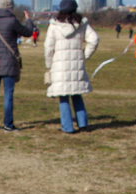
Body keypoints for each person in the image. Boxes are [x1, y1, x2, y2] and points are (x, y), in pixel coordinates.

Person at [44, 0, 99, 134]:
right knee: (76, 93)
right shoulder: (82, 24)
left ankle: (67, 126)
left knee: (63, 96)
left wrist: (49, 64)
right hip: (76, 63)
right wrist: (85, 54)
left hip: (59, 64)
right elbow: (94, 39)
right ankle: (83, 124)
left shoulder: (54, 25)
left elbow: (48, 47)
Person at [0, 0, 34, 132]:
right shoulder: (12, 20)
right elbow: (28, 32)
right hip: (9, 62)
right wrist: (28, 20)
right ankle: (8, 124)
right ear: (11, 7)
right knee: (8, 95)